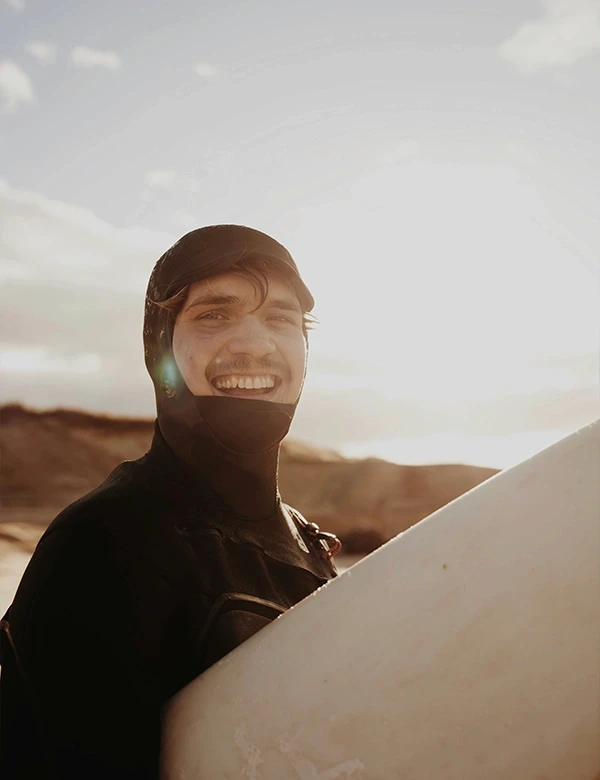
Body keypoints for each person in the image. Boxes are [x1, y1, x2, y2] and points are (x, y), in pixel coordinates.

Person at [0, 225, 341, 779]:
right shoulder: (108, 542)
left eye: (280, 317)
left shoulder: (306, 542)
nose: (256, 343)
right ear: (160, 347)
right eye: (214, 314)